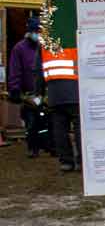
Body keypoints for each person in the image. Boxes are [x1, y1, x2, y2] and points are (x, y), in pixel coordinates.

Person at [39, 43, 81, 173]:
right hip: (75, 92)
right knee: (80, 129)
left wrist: (39, 93)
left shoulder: (45, 47)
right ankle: (82, 161)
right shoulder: (76, 42)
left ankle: (66, 162)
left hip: (54, 95)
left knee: (60, 130)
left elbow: (37, 71)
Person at [7, 16, 43, 158]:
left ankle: (49, 146)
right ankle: (33, 148)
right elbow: (15, 70)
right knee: (31, 122)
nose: (37, 34)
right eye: (36, 31)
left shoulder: (45, 47)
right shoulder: (19, 49)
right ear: (29, 32)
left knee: (48, 121)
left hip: (44, 91)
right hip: (29, 93)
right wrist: (15, 89)